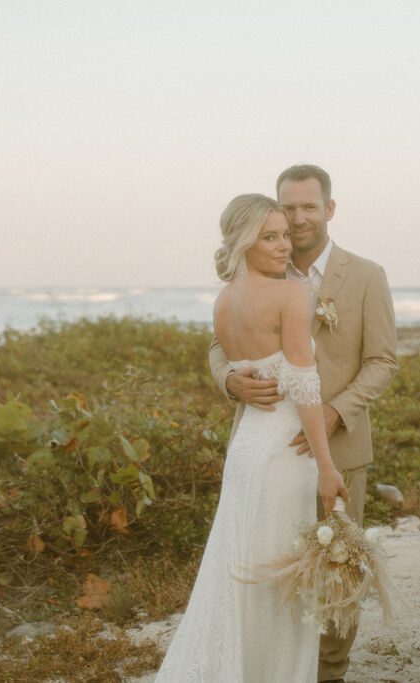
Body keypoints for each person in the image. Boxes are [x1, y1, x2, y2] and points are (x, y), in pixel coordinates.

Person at [210, 165, 399, 683]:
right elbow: (218, 347)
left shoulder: (365, 276)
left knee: (336, 578)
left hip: (338, 447)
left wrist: (335, 411)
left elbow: (383, 361)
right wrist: (230, 381)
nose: (296, 220)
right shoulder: (260, 272)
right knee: (268, 576)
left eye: (308, 207)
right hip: (271, 449)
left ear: (329, 210)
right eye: (287, 208)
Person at [155, 193, 349, 682]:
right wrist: (326, 466)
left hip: (244, 452)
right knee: (278, 578)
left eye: (285, 235)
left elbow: (235, 361)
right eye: (270, 237)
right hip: (284, 452)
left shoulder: (224, 300)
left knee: (240, 566)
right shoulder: (289, 295)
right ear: (244, 242)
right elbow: (305, 386)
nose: (284, 246)